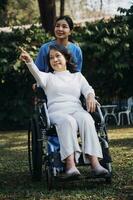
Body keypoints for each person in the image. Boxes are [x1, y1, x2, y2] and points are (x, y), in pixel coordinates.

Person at [20, 44, 109, 177]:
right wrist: (29, 61)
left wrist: (90, 96)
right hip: (56, 112)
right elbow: (36, 73)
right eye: (51, 58)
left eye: (58, 56)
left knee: (86, 118)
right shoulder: (47, 77)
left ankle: (95, 164)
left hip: (76, 109)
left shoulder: (77, 76)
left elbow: (88, 89)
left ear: (66, 58)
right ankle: (70, 165)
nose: (55, 60)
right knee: (68, 121)